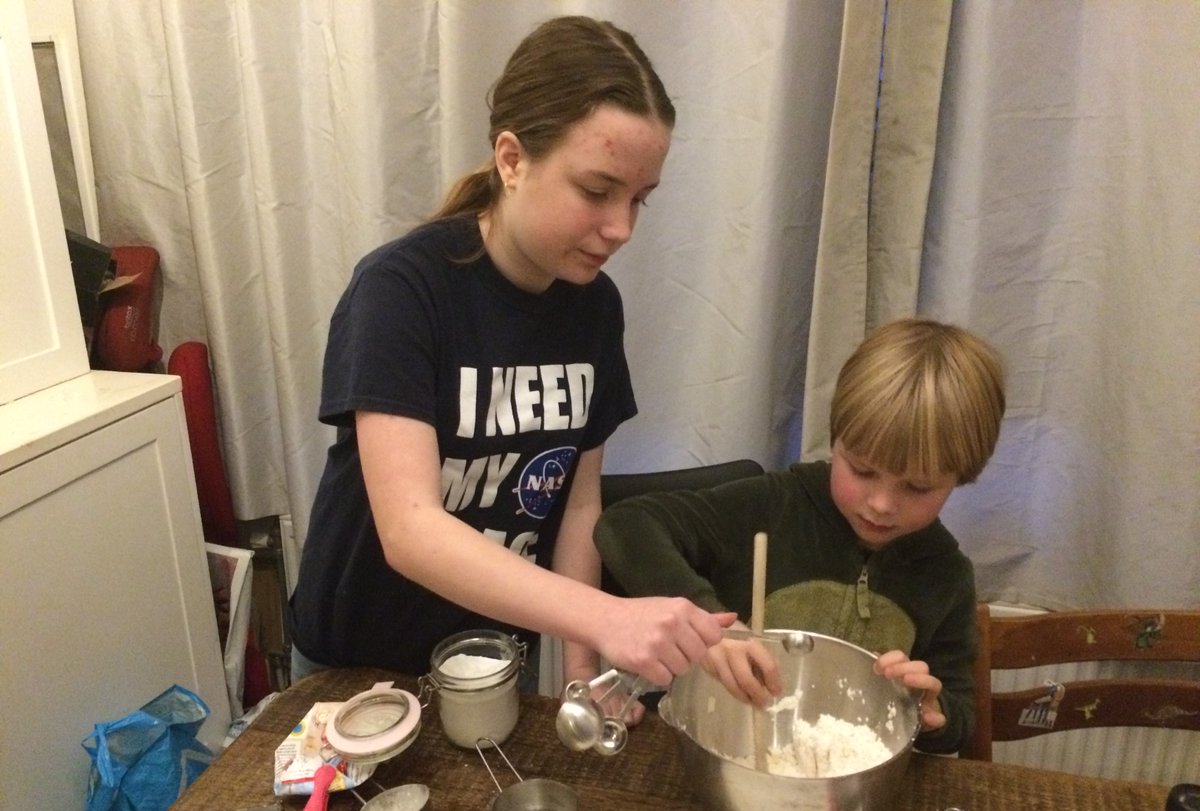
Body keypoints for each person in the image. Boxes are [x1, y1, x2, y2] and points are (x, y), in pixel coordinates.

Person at [286, 16, 735, 697]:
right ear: (511, 159)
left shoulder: (594, 308)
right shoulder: (402, 290)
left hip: (493, 664)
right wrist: (608, 615)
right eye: (596, 191)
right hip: (355, 668)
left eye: (639, 199)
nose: (621, 229)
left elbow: (578, 509)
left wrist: (585, 671)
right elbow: (409, 528)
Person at [594, 318, 1006, 753]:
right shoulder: (774, 505)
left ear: (962, 478)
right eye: (862, 470)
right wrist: (710, 624)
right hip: (719, 747)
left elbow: (960, 718)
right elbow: (626, 525)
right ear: (835, 441)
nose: (882, 504)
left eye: (917, 487)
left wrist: (932, 711)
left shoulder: (947, 576)